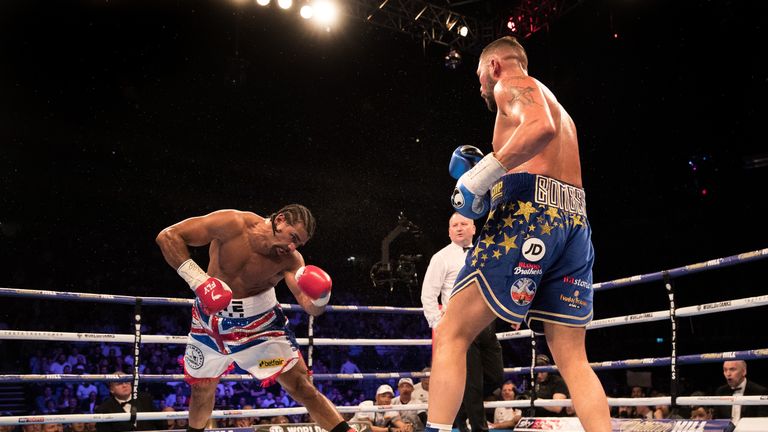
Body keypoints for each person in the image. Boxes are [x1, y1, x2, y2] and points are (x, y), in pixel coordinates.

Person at [427, 36, 610, 432]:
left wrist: (482, 173)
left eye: (479, 76)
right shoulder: (563, 112)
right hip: (574, 221)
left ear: (493, 65)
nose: (481, 88)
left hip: (530, 215)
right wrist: (490, 183)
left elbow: (538, 128)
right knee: (574, 360)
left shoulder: (510, 82)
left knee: (450, 334)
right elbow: (540, 152)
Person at [156, 205, 353, 432]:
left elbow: (310, 307)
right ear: (279, 220)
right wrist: (200, 282)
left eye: (299, 243)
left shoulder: (291, 260)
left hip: (260, 328)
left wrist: (322, 297)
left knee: (302, 387)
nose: (293, 246)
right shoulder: (233, 223)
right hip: (208, 323)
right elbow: (168, 236)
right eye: (293, 237)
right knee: (202, 388)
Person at [421, 212, 502, 432]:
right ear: (449, 231)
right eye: (454, 225)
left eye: (464, 224)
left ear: (474, 228)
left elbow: (496, 286)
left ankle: (459, 413)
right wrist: (438, 324)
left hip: (486, 324)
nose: (459, 228)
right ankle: (476, 429)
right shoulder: (441, 257)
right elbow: (428, 294)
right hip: (460, 327)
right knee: (473, 384)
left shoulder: (486, 253)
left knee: (496, 377)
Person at [94, 373, 164, 432]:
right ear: (111, 389)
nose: (124, 385)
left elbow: (161, 424)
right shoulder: (104, 408)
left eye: (127, 382)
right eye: (119, 383)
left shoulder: (145, 399)